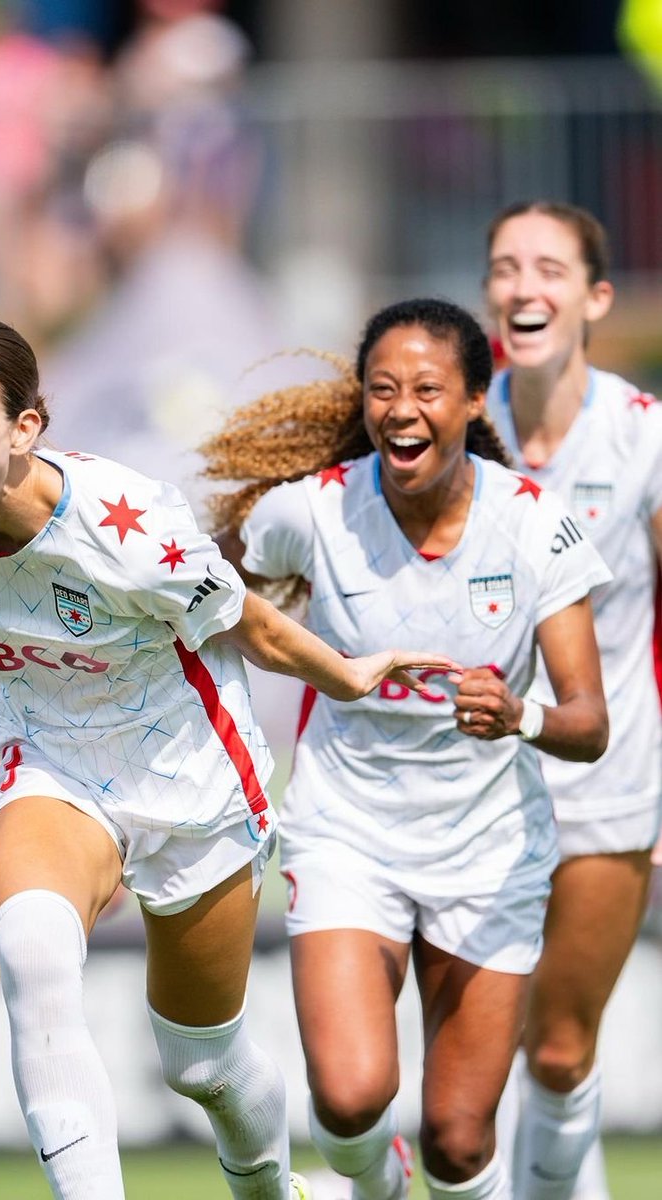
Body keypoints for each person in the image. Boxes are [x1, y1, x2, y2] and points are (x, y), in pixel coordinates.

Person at [0, 314, 459, 1200]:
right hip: (53, 765)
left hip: (191, 780)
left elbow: (249, 626)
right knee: (31, 948)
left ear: (26, 429)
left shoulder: (126, 527)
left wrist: (345, 675)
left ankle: (275, 1190)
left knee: (202, 1064)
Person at [200, 297, 611, 1200]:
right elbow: (217, 588)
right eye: (382, 388)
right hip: (347, 832)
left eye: (427, 388)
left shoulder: (534, 523)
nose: (400, 408)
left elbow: (587, 720)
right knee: (348, 1102)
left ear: (473, 402)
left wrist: (521, 717)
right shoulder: (309, 512)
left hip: (490, 853)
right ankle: (373, 1186)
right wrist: (293, 647)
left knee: (459, 1144)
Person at [483, 200, 662, 1200]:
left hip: (609, 787)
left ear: (592, 296)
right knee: (472, 1063)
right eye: (504, 269)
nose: (522, 288)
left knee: (556, 1052)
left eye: (547, 269)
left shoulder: (641, 436)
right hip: (470, 798)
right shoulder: (453, 429)